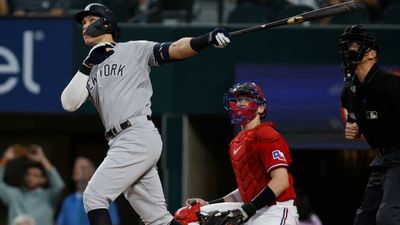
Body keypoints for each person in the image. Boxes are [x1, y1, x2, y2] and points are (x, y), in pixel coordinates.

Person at [60, 3, 231, 225]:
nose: (85, 26)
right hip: (121, 141)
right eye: (83, 23)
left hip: (136, 134)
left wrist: (206, 39)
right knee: (158, 219)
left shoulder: (132, 49)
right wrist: (87, 65)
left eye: (91, 20)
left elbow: (175, 49)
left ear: (106, 23)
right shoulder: (88, 68)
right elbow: (68, 104)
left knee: (94, 197)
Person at [175, 82, 299, 225]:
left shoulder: (266, 134)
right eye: (238, 100)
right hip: (252, 209)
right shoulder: (236, 142)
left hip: (275, 209)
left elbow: (281, 181)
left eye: (247, 99)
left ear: (261, 107)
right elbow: (246, 190)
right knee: (188, 216)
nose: (240, 103)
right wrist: (209, 203)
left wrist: (249, 208)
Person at [339, 24, 400, 225]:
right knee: (364, 219)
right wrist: (352, 128)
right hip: (381, 160)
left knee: (387, 217)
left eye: (355, 45)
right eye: (347, 46)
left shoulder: (392, 84)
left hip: (398, 158)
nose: (350, 50)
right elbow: (354, 122)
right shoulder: (350, 91)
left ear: (372, 53)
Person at [0, 144, 65, 225]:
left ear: (43, 180)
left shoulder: (49, 197)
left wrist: (43, 159)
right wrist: (4, 159)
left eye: (35, 175)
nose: (30, 178)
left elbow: (59, 186)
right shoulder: (14, 195)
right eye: (27, 174)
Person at [57, 157, 120, 225]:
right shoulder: (68, 201)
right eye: (75, 167)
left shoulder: (104, 199)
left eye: (82, 168)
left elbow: (114, 222)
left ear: (92, 173)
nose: (76, 170)